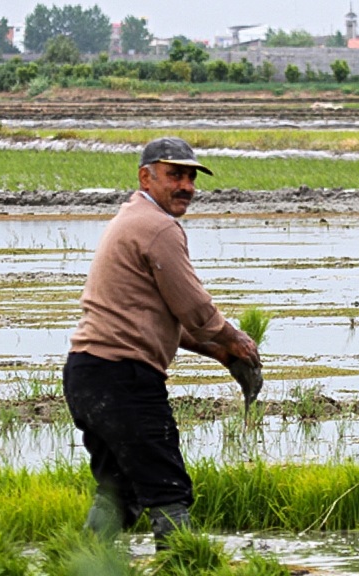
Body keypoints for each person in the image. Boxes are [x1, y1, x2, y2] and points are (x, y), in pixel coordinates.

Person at [63, 136, 263, 549]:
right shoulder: (158, 228)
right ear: (146, 177)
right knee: (167, 487)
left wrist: (221, 352)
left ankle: (82, 562)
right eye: (175, 175)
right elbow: (195, 310)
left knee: (120, 488)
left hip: (88, 374)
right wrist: (238, 341)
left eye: (190, 177)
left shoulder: (130, 220)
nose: (186, 186)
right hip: (124, 378)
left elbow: (164, 320)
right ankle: (185, 562)